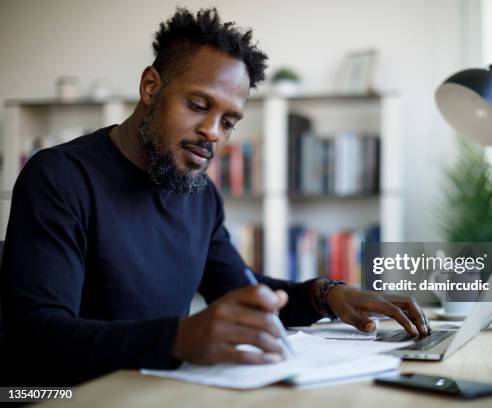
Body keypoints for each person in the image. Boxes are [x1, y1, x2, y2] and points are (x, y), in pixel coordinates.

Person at [0, 7, 429, 386]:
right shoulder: (59, 177)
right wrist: (181, 338)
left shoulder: (200, 195)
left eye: (229, 121)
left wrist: (326, 294)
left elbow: (240, 293)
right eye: (199, 105)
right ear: (151, 86)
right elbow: (39, 336)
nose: (212, 132)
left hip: (158, 392)